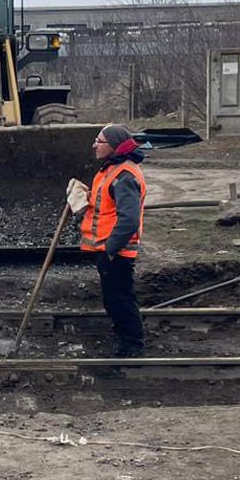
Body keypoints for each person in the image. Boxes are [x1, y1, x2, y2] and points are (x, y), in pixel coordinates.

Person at [79, 123, 147, 358]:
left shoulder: (124, 176)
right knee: (115, 298)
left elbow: (128, 219)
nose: (94, 145)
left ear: (115, 146)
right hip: (110, 249)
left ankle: (132, 346)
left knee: (120, 299)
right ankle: (125, 338)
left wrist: (110, 249)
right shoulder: (111, 169)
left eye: (100, 141)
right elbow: (104, 202)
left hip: (116, 251)